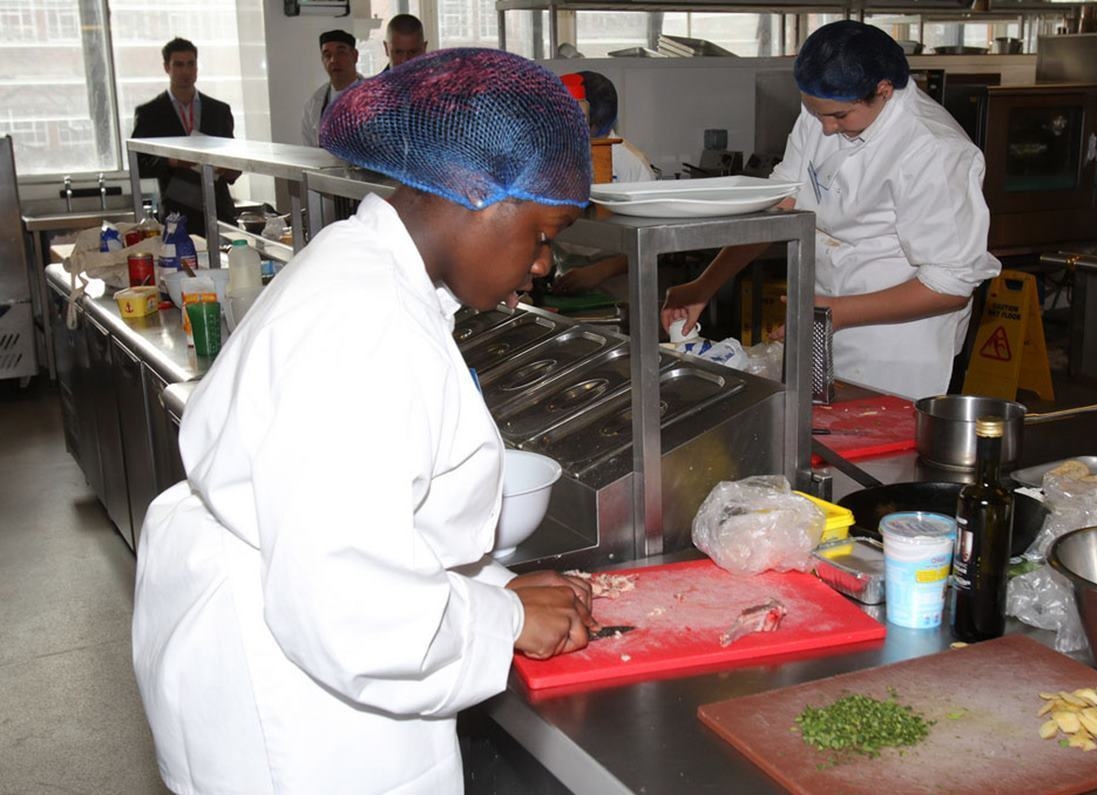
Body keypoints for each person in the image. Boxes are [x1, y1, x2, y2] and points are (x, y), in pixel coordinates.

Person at [132, 49, 599, 793]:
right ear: (474, 194)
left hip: (275, 630)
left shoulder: (365, 266)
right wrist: (504, 623)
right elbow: (349, 601)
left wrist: (494, 587)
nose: (544, 264)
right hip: (300, 703)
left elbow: (372, 519)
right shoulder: (367, 325)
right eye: (543, 234)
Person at [660, 21, 1000, 400]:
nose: (824, 128)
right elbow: (780, 207)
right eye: (814, 111)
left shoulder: (934, 150)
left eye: (838, 117)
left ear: (883, 91)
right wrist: (705, 284)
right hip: (821, 319)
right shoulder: (822, 111)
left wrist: (835, 312)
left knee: (873, 452)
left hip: (896, 346)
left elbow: (950, 286)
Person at [551, 70, 654, 295]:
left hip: (618, 283)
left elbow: (652, 246)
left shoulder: (630, 163)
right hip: (566, 275)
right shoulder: (554, 155)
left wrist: (597, 272)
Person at [132, 37, 239, 231]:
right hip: (178, 210)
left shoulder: (218, 110)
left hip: (219, 208)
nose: (185, 71)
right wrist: (172, 161)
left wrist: (229, 168)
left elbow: (233, 160)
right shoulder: (151, 113)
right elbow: (140, 163)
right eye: (178, 65)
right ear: (167, 67)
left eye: (191, 64)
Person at [301, 29, 363, 147]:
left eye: (341, 53)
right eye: (327, 55)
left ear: (355, 56)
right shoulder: (314, 105)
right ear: (322, 60)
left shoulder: (375, 98)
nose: (334, 60)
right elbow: (309, 151)